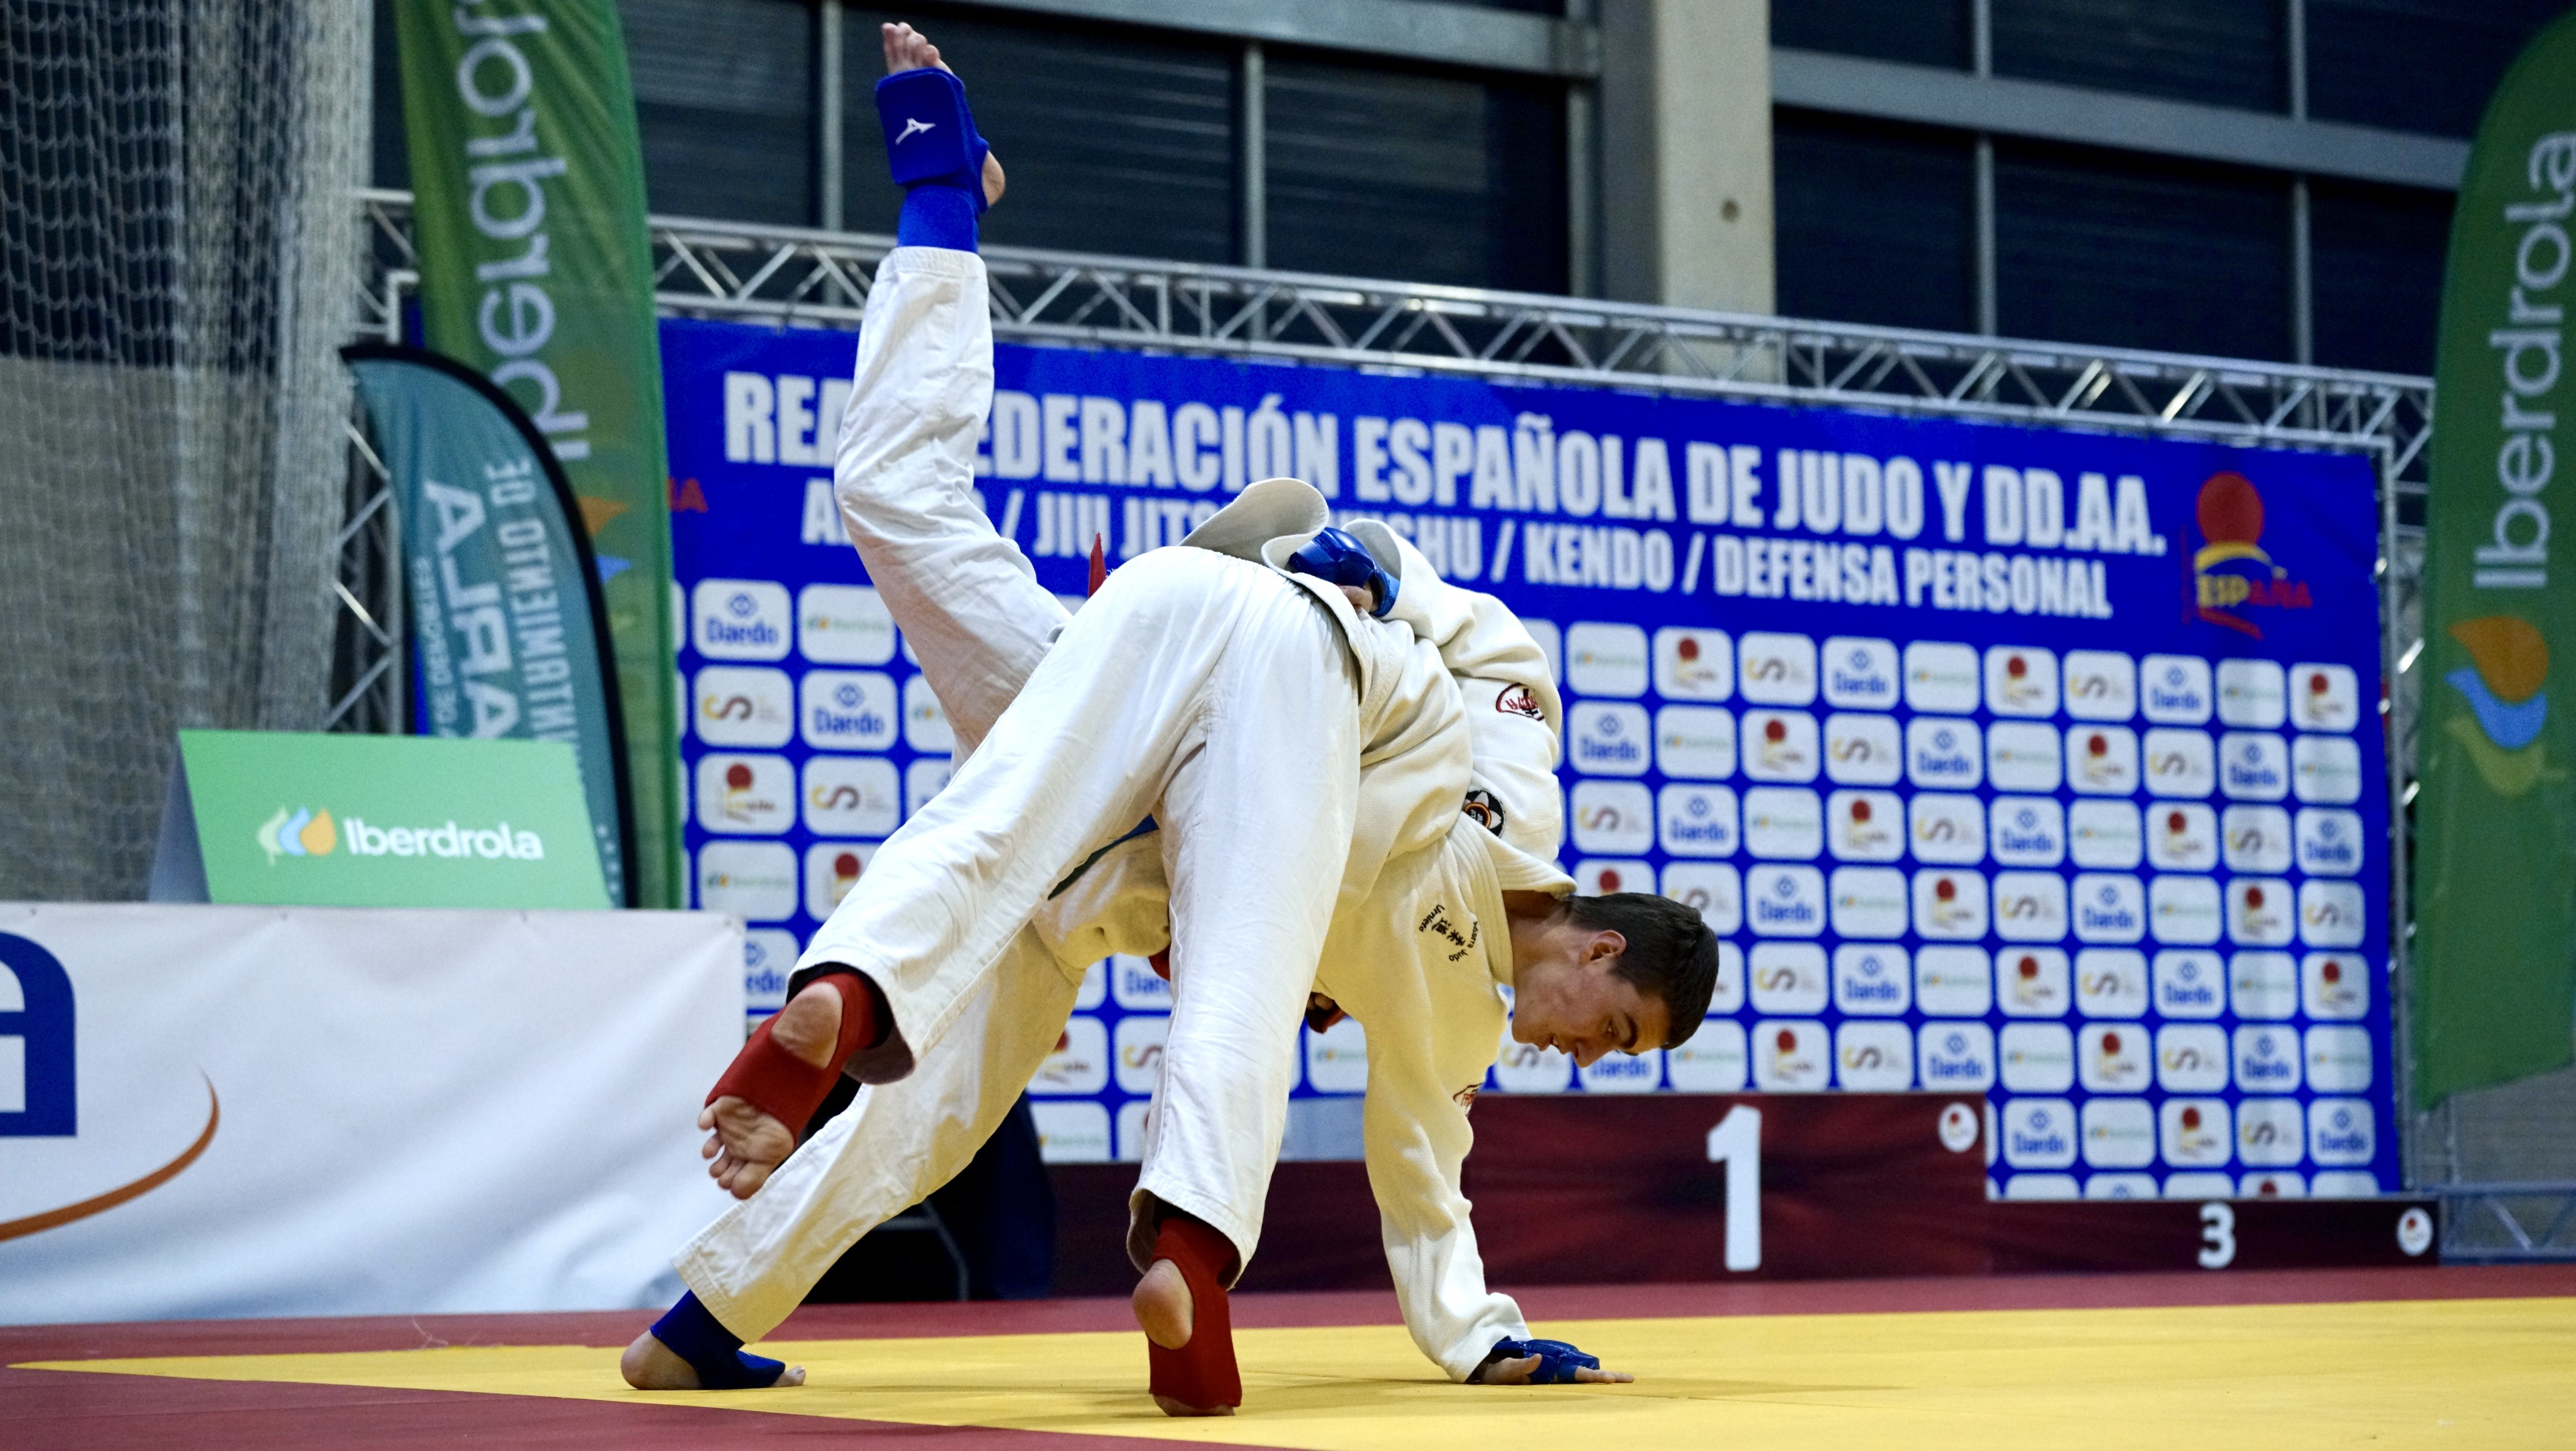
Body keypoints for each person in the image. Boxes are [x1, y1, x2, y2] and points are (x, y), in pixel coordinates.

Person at [623, 22, 1718, 1416]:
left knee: (907, 535)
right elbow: (1455, 639)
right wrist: (1366, 561)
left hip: (1112, 803)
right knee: (1253, 967)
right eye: (1614, 1028)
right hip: (1238, 694)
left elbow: (1424, 1167)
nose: (1582, 1053)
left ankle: (709, 1307)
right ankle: (1191, 1239)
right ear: (1605, 943)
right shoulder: (1518, 791)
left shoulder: (1451, 1023)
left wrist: (1479, 1332)